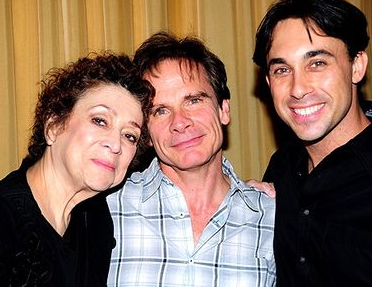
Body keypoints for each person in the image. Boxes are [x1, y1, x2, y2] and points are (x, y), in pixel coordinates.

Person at [252, 0, 372, 287]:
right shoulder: (282, 168)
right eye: (282, 69)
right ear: (269, 83)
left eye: (317, 63)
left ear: (356, 66)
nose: (298, 89)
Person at [107, 32, 276, 286]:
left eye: (194, 100)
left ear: (224, 110)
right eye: (160, 110)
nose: (180, 122)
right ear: (146, 133)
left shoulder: (274, 216)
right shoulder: (105, 208)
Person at [0, 53, 153, 286]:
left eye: (129, 135)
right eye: (100, 120)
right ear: (53, 126)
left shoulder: (96, 223)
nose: (115, 144)